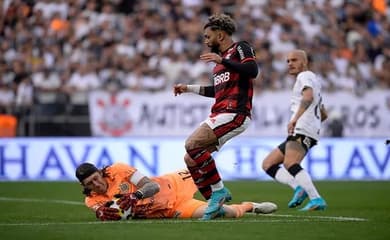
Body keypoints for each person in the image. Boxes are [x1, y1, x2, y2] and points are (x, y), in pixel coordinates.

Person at [173, 13, 258, 220]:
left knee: (192, 144)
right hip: (220, 111)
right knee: (190, 158)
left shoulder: (240, 48)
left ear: (220, 35)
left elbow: (252, 70)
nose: (205, 41)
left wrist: (224, 61)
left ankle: (218, 191)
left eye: (207, 36)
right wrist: (188, 88)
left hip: (235, 112)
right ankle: (215, 203)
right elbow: (217, 91)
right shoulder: (219, 65)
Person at [75, 162, 276, 221]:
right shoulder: (92, 201)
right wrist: (103, 214)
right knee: (223, 213)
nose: (96, 185)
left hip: (174, 183)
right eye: (90, 184)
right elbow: (107, 213)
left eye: (96, 178)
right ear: (85, 187)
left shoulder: (118, 170)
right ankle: (250, 206)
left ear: (100, 172)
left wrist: (135, 196)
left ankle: (221, 190)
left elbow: (151, 186)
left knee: (201, 166)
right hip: (171, 209)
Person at [262, 50, 328, 211]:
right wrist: (314, 123)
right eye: (288, 61)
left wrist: (295, 119)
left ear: (304, 62)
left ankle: (316, 198)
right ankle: (299, 188)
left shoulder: (304, 76)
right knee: (268, 164)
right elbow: (323, 113)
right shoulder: (313, 79)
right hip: (306, 127)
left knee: (291, 163)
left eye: (294, 60)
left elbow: (308, 97)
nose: (290, 63)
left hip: (303, 127)